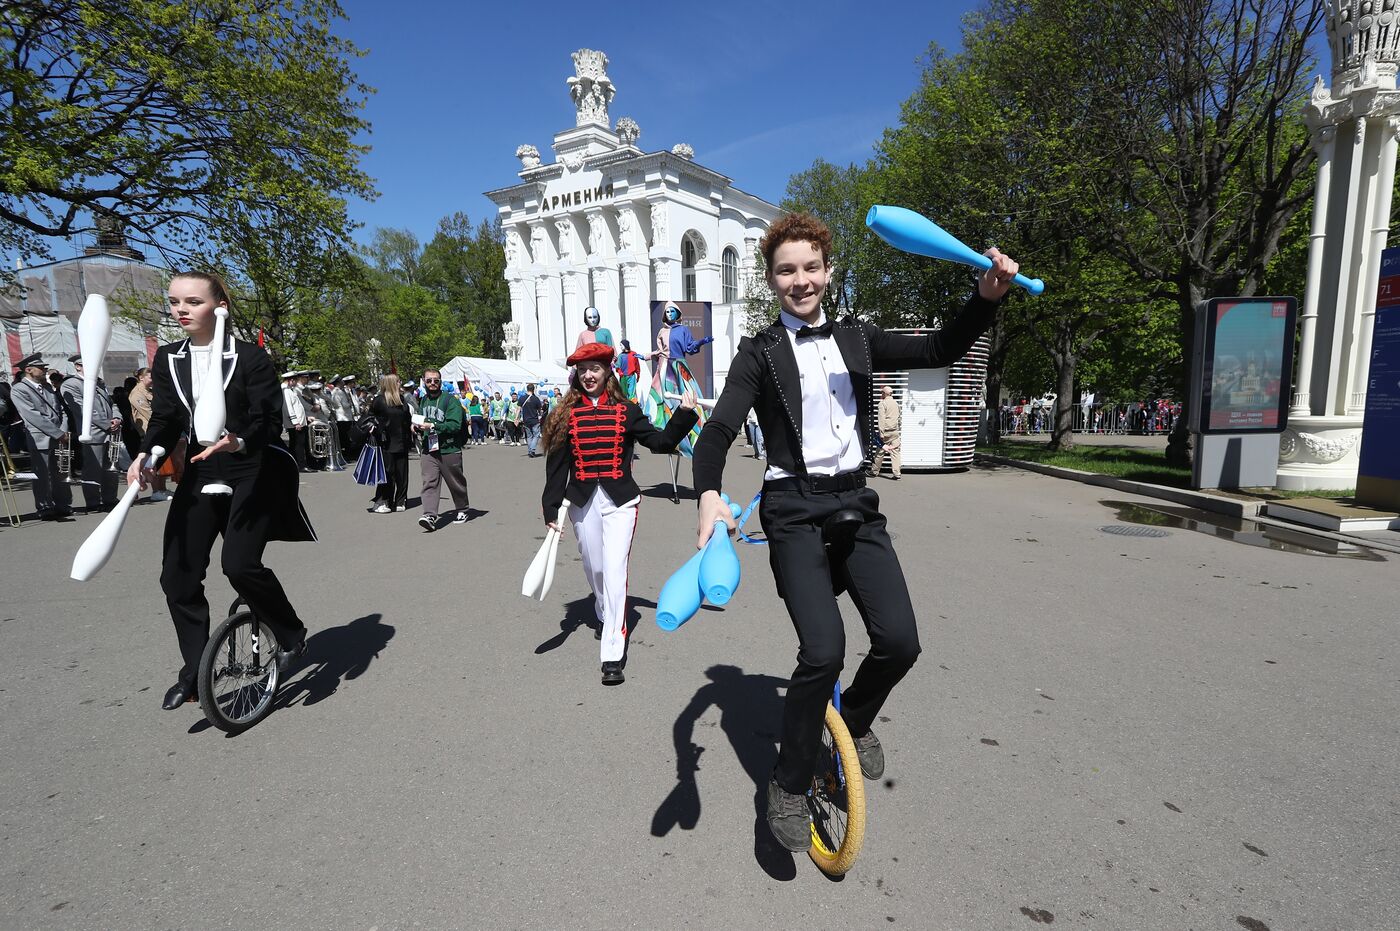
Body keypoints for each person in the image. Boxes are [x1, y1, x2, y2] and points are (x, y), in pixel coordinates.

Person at [690, 211, 1019, 851]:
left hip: (855, 505)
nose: (800, 280)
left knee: (901, 642)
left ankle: (853, 718)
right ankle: (787, 784)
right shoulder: (758, 354)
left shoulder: (859, 340)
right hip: (791, 510)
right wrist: (708, 492)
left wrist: (984, 298)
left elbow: (939, 349)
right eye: (787, 270)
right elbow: (719, 430)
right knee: (823, 652)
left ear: (828, 272)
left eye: (811, 267)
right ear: (772, 279)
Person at [131, 271, 316, 711]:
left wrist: (240, 438)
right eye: (175, 301)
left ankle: (291, 633)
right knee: (176, 575)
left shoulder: (249, 358)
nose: (180, 309)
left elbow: (270, 421)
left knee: (238, 564)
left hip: (250, 468)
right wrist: (148, 455)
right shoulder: (169, 359)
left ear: (218, 306)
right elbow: (166, 419)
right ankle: (195, 672)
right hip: (198, 468)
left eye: (192, 301)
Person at [541, 342, 699, 686]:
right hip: (582, 500)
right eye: (583, 370)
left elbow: (658, 442)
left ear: (607, 371)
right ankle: (602, 608)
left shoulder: (626, 410)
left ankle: (612, 651)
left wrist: (684, 415)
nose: (588, 375)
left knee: (614, 571)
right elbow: (557, 465)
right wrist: (551, 507)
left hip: (621, 501)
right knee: (594, 567)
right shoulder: (564, 414)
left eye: (594, 369)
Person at [10, 353, 73, 519]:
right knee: (42, 475)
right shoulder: (19, 389)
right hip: (40, 438)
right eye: (41, 367)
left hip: (59, 435)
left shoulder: (46, 387)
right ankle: (44, 507)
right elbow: (32, 416)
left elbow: (60, 411)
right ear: (28, 370)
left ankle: (63, 504)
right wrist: (58, 433)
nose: (45, 370)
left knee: (60, 472)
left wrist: (63, 429)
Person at [59, 354, 122, 511]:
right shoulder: (71, 384)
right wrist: (106, 424)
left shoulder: (98, 381)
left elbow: (111, 403)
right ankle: (93, 502)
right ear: (78, 367)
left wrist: (116, 418)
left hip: (110, 431)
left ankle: (110, 498)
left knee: (111, 468)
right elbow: (82, 409)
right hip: (93, 432)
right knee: (93, 469)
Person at [415, 368, 471, 531]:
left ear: (440, 382)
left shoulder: (450, 400)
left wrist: (433, 425)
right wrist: (416, 427)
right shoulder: (423, 400)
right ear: (424, 381)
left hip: (449, 448)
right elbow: (421, 419)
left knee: (455, 482)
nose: (432, 383)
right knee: (429, 482)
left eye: (436, 380)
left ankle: (462, 509)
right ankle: (430, 515)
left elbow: (454, 425)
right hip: (429, 449)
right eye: (429, 380)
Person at [369, 373, 412, 513]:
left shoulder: (401, 400)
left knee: (402, 473)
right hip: (385, 443)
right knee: (388, 473)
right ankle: (382, 500)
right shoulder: (379, 400)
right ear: (392, 383)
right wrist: (374, 428)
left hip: (402, 441)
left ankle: (400, 500)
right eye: (399, 381)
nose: (401, 384)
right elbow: (369, 417)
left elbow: (407, 419)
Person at [869, 385, 902, 480]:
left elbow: (881, 419)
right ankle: (897, 473)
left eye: (882, 392)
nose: (881, 394)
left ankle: (874, 471)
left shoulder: (882, 404)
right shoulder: (896, 404)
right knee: (895, 452)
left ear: (884, 393)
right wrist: (897, 428)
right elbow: (898, 418)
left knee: (880, 451)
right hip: (894, 432)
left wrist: (881, 433)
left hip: (886, 432)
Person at [281, 370, 310, 471]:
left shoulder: (290, 390)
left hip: (299, 421)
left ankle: (295, 465)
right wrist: (295, 422)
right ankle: (301, 465)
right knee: (298, 445)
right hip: (295, 423)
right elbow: (288, 408)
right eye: (295, 381)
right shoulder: (286, 391)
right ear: (291, 380)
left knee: (296, 444)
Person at [520, 383, 545, 457]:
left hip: (526, 420)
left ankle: (530, 450)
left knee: (529, 436)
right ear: (533, 389)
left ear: (527, 389)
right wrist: (541, 414)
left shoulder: (522, 398)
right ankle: (532, 449)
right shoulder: (536, 399)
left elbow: (518, 408)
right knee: (536, 435)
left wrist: (516, 418)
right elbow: (539, 410)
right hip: (534, 420)